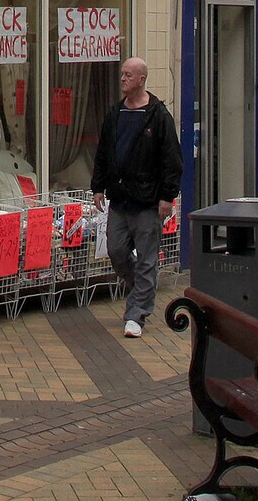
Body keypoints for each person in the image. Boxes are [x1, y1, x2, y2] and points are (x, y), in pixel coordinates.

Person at [91, 55, 182, 338]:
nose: (122, 79)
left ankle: (137, 314)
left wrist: (167, 197)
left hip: (147, 201)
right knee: (117, 251)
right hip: (119, 198)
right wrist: (98, 187)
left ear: (142, 79)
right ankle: (141, 288)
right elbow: (104, 152)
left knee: (147, 258)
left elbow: (171, 160)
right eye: (121, 74)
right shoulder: (115, 114)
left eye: (128, 75)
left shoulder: (158, 116)